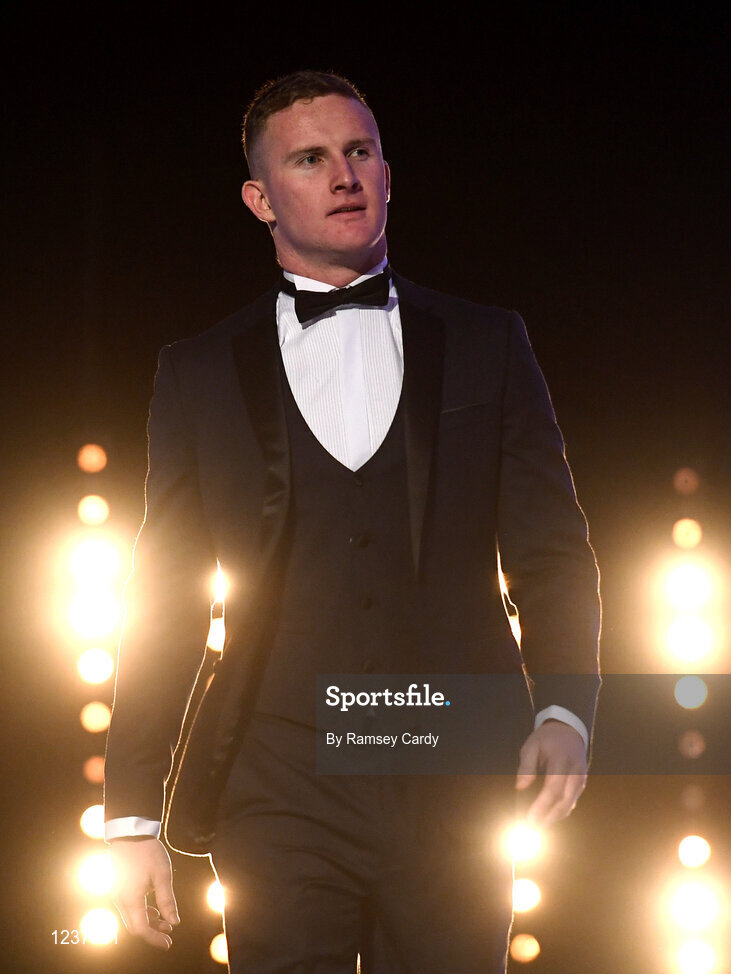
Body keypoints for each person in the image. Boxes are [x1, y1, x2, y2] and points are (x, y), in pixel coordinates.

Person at [104, 70, 600, 973]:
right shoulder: (198, 372)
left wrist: (564, 709)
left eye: (358, 151)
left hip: (453, 773)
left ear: (386, 172)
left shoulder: (486, 342)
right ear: (259, 198)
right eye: (309, 159)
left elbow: (552, 553)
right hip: (276, 779)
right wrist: (131, 816)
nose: (342, 175)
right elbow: (165, 597)